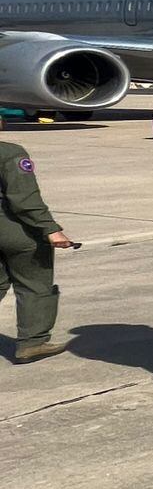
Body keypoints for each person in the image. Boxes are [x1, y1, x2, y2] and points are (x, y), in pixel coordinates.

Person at [1, 138, 75, 363]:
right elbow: (24, 199)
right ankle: (32, 343)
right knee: (34, 284)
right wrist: (50, 230)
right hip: (13, 229)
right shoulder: (9, 152)